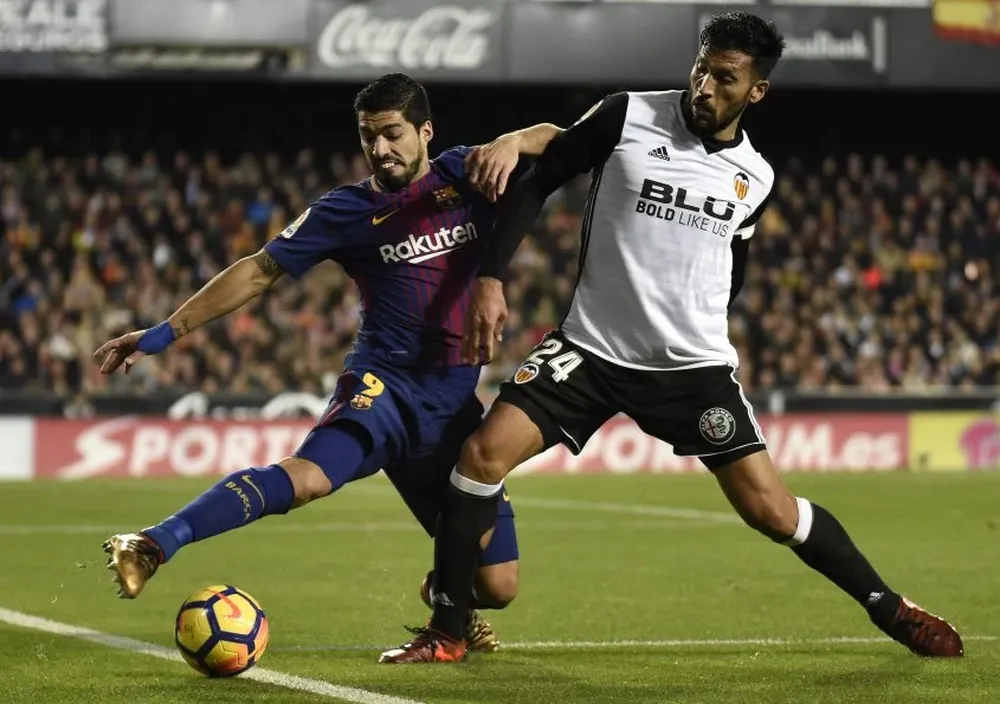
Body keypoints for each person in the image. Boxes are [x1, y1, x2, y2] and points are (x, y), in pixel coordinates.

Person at [379, 12, 964, 664]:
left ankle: (893, 609)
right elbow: (542, 177)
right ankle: (449, 628)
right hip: (591, 350)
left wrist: (698, 318)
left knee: (772, 511)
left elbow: (732, 261)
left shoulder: (756, 178)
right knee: (480, 456)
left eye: (725, 78)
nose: (705, 87)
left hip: (691, 370)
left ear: (756, 92)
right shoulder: (627, 115)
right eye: (702, 68)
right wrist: (491, 276)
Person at [95, 72, 561, 654]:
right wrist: (165, 332)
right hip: (382, 387)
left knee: (499, 585)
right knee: (309, 478)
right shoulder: (345, 210)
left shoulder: (465, 173)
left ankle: (450, 601)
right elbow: (258, 271)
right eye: (369, 137)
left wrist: (517, 139)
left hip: (451, 412)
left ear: (426, 131)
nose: (381, 149)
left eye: (393, 134)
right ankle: (153, 542)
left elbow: (564, 139)